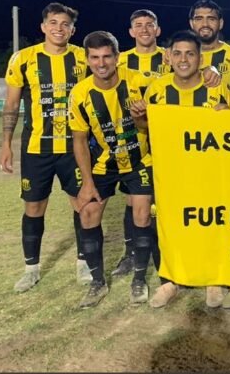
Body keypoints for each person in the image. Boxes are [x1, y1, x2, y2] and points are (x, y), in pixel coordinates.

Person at [130, 30, 230, 309]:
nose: (183, 59)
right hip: (169, 170)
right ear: (168, 57)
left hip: (207, 169)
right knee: (169, 224)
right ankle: (170, 280)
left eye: (190, 53)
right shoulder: (158, 89)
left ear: (201, 58)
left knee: (211, 221)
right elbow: (146, 127)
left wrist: (228, 114)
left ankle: (214, 280)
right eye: (177, 53)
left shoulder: (217, 88)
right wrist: (139, 118)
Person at [0, 2, 91, 292]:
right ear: (43, 27)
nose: (59, 28)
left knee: (82, 205)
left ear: (73, 29)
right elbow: (12, 105)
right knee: (34, 206)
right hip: (37, 148)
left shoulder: (83, 58)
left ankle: (83, 264)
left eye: (65, 24)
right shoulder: (23, 59)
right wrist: (6, 145)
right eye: (53, 22)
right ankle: (31, 269)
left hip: (74, 148)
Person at [68, 31, 154, 308]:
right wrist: (87, 182)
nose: (101, 63)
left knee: (142, 213)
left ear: (117, 57)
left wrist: (210, 71)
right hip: (104, 163)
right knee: (89, 213)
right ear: (87, 59)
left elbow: (174, 84)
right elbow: (79, 140)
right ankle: (97, 283)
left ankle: (139, 278)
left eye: (107, 56)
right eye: (95, 57)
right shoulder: (80, 93)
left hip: (140, 160)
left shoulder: (139, 81)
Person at [110, 9, 167, 279]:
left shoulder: (170, 57)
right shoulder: (119, 61)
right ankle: (130, 254)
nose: (144, 29)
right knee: (134, 200)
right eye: (138, 25)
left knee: (166, 199)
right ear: (131, 32)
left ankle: (165, 252)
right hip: (132, 138)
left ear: (157, 30)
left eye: (149, 25)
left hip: (166, 137)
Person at [188, 0, 230, 96]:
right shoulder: (179, 57)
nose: (205, 24)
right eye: (199, 19)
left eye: (211, 19)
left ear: (221, 23)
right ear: (191, 23)